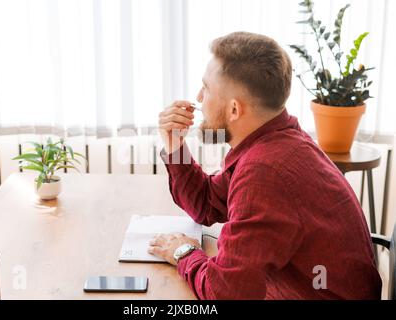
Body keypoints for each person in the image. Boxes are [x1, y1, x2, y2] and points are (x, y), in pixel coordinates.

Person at [148, 31, 382, 299]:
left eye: (207, 88)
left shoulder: (265, 172)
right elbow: (206, 203)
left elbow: (225, 293)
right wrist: (174, 145)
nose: (199, 97)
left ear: (235, 110)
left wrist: (184, 252)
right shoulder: (275, 142)